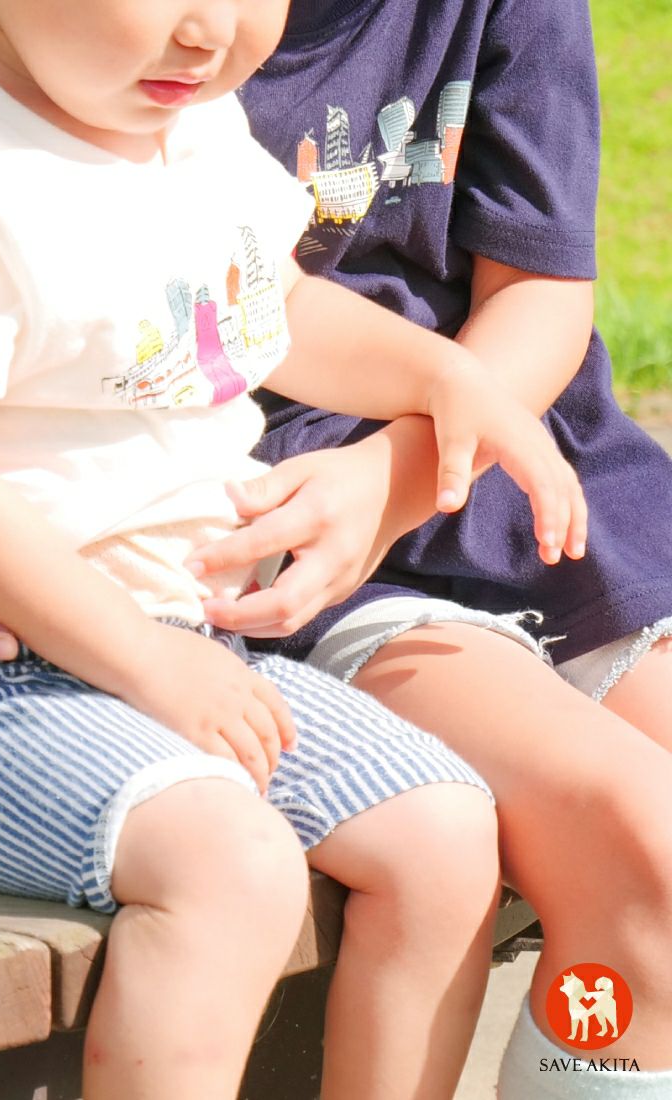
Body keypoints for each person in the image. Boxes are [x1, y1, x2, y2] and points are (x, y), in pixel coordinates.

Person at [0, 3, 589, 1099]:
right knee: (233, 870)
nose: (213, 30)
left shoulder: (183, 118)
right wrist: (146, 660)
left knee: (443, 837)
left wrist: (446, 378)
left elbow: (275, 306)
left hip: (182, 643)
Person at [174, 2, 672, 1096]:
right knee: (645, 845)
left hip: (513, 461)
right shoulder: (139, 32)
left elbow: (537, 289)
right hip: (281, 514)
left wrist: (399, 476)